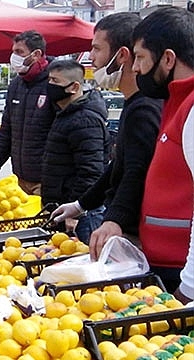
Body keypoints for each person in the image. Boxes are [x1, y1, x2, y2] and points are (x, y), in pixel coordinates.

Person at [51, 13, 162, 253]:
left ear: (121, 55)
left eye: (96, 49)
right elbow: (117, 166)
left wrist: (115, 220)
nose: (91, 58)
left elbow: (136, 171)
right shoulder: (133, 103)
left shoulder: (144, 108)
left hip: (133, 233)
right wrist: (80, 204)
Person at [130, 6, 194, 299]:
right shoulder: (174, 102)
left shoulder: (191, 107)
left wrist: (189, 289)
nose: (134, 68)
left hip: (181, 276)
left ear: (168, 58)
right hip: (165, 266)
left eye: (141, 57)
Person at [41, 59, 110, 243]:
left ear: (74, 87)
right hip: (65, 209)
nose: (50, 86)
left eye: (56, 81)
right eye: (49, 80)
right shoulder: (65, 115)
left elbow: (91, 172)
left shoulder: (85, 121)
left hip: (83, 215)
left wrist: (76, 211)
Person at [0, 30, 55, 195]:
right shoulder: (16, 85)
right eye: (13, 51)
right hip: (20, 179)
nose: (13, 57)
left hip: (46, 181)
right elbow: (7, 131)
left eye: (19, 52)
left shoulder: (54, 83)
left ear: (36, 54)